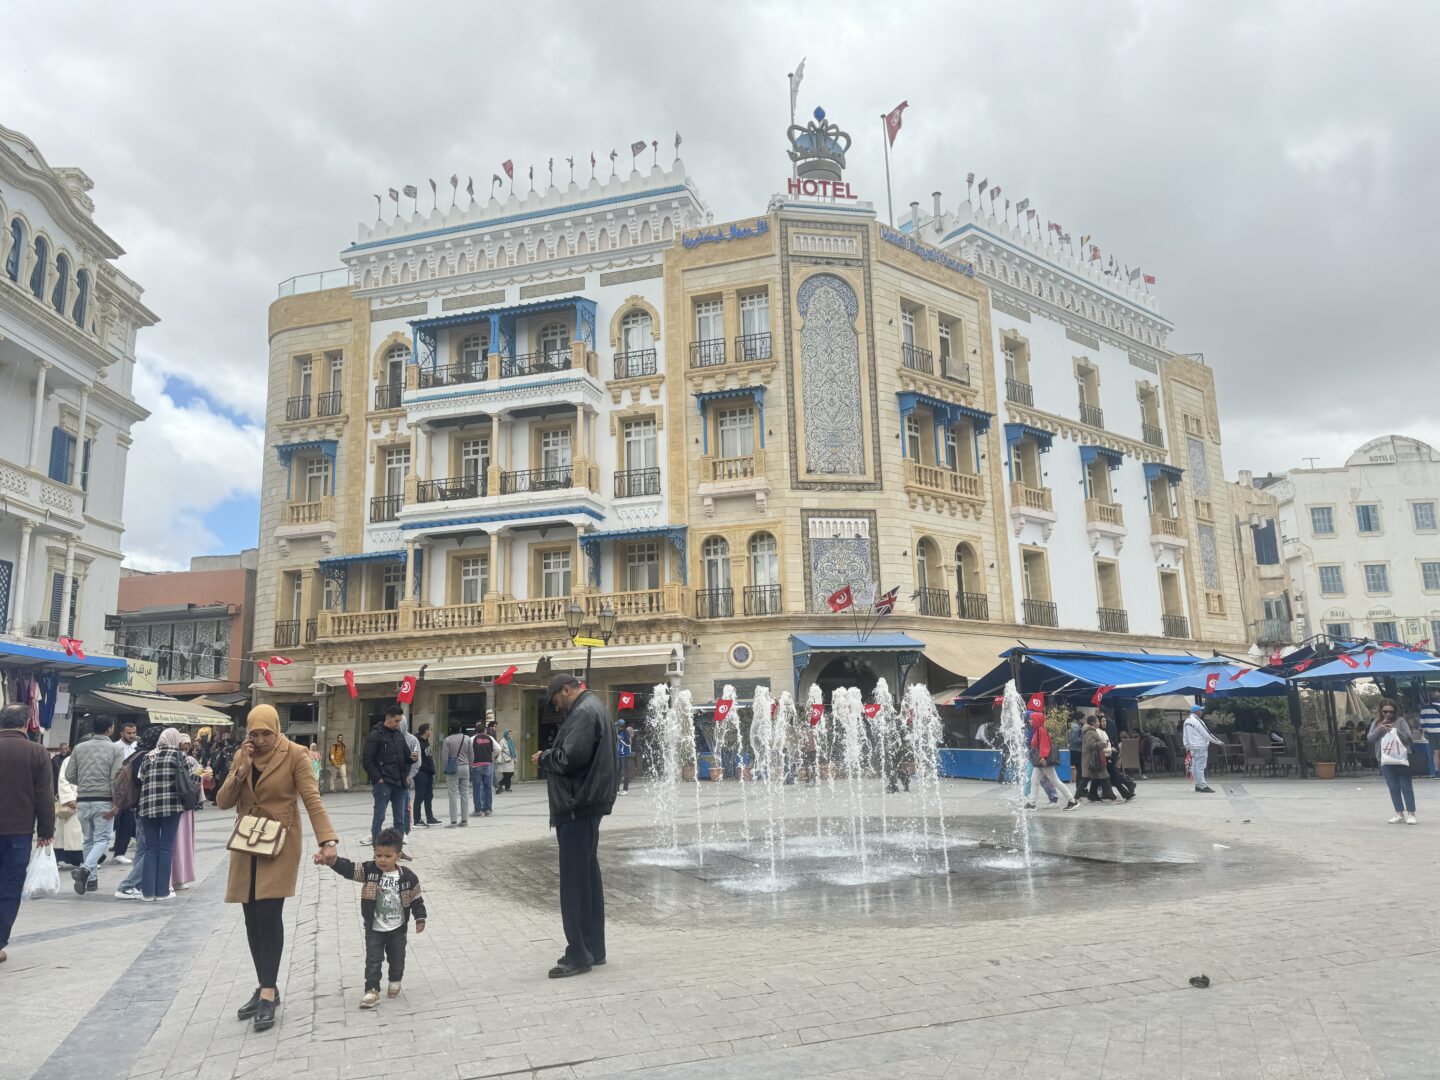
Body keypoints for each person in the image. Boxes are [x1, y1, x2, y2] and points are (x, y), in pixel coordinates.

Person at [217, 705, 338, 1032]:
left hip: (280, 844)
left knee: (269, 913)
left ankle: (269, 993)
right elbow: (223, 801)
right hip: (247, 844)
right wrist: (240, 768)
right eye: (254, 733)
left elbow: (312, 799)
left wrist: (327, 840)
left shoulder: (296, 754)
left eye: (265, 734)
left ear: (276, 729)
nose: (260, 739)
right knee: (251, 917)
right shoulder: (243, 756)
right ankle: (264, 983)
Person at [532, 674, 617, 978]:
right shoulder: (596, 707)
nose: (559, 707)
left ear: (566, 690)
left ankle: (579, 954)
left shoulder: (582, 712)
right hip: (587, 803)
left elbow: (570, 758)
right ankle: (595, 947)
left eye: (557, 701)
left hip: (576, 805)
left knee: (574, 883)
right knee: (587, 878)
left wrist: (545, 757)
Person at [317, 827, 426, 1009]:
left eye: (388, 856)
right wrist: (331, 861)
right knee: (373, 959)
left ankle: (395, 979)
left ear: (398, 855)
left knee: (397, 957)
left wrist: (420, 917)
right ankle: (372, 990)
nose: (382, 860)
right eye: (378, 855)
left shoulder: (407, 877)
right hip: (374, 928)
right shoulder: (370, 870)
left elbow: (416, 898)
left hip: (397, 928)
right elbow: (350, 869)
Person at [0, 703, 55, 963]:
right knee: (9, 887)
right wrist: (46, 831)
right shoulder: (37, 752)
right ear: (25, 723)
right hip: (18, 832)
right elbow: (44, 795)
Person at [63, 715, 123, 895]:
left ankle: (92, 880)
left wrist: (84, 782)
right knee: (102, 840)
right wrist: (117, 803)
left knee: (88, 840)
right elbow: (115, 778)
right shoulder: (115, 749)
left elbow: (69, 775)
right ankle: (86, 870)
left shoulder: (79, 748)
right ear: (110, 729)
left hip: (83, 800)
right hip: (104, 800)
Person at [136, 728, 189, 901]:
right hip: (171, 807)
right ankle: (162, 892)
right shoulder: (179, 755)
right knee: (166, 848)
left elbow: (141, 778)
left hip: (147, 807)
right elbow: (187, 779)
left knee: (150, 848)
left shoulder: (148, 756)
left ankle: (148, 892)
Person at [112, 726, 160, 899]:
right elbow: (140, 780)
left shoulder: (136, 753)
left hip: (136, 805)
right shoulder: (146, 756)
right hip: (143, 805)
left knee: (142, 849)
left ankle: (138, 885)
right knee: (150, 850)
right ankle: (127, 886)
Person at [364, 708, 410, 845]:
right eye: (396, 721)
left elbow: (405, 756)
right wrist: (378, 778)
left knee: (400, 819)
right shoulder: (375, 735)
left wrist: (411, 760)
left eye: (400, 721)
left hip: (399, 783)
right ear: (388, 718)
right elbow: (367, 759)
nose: (398, 724)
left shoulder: (399, 734)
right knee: (379, 817)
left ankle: (398, 851)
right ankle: (377, 850)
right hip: (383, 783)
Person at [1369, 699, 1417, 824]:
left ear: (1395, 711)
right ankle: (1399, 813)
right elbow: (1370, 738)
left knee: (1406, 786)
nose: (1388, 714)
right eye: (1385, 711)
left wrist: (1394, 730)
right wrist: (1380, 728)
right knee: (1393, 787)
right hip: (1384, 759)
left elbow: (1408, 738)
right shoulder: (1376, 722)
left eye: (1391, 712)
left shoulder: (1400, 721)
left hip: (1401, 758)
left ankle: (1411, 814)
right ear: (1381, 711)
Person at [1026, 711, 1078, 810]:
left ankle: (1072, 801)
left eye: (1031, 719)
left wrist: (1043, 757)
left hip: (1043, 761)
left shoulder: (1040, 730)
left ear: (1036, 720)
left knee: (1055, 781)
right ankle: (1032, 803)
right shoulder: (1038, 730)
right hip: (1041, 762)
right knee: (1034, 780)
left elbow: (1045, 744)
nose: (1030, 721)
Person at [171, 736, 203, 892]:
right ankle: (179, 878)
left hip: (174, 807)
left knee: (177, 844)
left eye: (187, 747)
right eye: (182, 747)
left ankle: (176, 878)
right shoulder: (187, 760)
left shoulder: (156, 756)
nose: (185, 750)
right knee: (180, 844)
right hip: (184, 806)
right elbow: (195, 779)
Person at [111, 721, 140, 863]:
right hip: (116, 789)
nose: (132, 735)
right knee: (113, 821)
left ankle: (120, 852)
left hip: (131, 789)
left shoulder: (138, 748)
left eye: (134, 732)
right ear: (121, 733)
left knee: (128, 821)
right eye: (129, 733)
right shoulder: (114, 747)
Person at [1182, 705, 1223, 793]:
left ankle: (1197, 785)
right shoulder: (1198, 721)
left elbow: (1185, 736)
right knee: (1200, 766)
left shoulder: (1186, 721)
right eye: (1200, 710)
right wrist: (1219, 742)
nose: (1201, 712)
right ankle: (1203, 786)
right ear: (1196, 712)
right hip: (1200, 746)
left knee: (1194, 766)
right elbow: (1207, 733)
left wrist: (1187, 747)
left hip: (1192, 747)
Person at [1097, 716, 1136, 802]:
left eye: (1105, 721)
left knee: (1112, 776)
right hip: (1105, 755)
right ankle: (1127, 787)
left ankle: (1127, 788)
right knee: (1111, 776)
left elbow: (1107, 743)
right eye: (1102, 721)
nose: (1104, 723)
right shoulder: (1098, 731)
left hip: (1108, 755)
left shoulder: (1106, 730)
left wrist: (1110, 749)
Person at [441, 725, 473, 826]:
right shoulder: (467, 739)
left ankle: (453, 821)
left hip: (453, 768)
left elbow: (445, 757)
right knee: (465, 794)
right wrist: (470, 766)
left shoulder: (447, 740)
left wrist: (445, 769)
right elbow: (471, 754)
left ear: (450, 729)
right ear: (460, 728)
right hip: (465, 767)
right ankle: (464, 820)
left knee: (453, 794)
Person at [470, 722, 501, 817]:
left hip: (476, 765)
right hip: (488, 765)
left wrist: (471, 760)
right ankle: (487, 809)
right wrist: (492, 757)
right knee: (488, 787)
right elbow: (498, 749)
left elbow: (468, 751)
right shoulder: (490, 738)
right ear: (485, 730)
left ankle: (478, 810)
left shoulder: (472, 739)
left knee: (477, 788)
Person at [1081, 718, 1115, 802]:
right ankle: (1112, 797)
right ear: (1093, 723)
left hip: (1097, 758)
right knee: (1104, 777)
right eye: (1098, 721)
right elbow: (1090, 745)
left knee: (1097, 778)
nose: (1099, 723)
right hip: (1095, 758)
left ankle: (1092, 795)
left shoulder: (1094, 731)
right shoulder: (1091, 732)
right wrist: (1103, 743)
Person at [413, 724, 440, 826]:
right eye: (430, 729)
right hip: (421, 773)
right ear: (425, 731)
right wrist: (427, 769)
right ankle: (417, 819)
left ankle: (430, 817)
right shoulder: (417, 742)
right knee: (419, 797)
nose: (431, 731)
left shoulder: (426, 741)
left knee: (429, 796)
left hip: (428, 774)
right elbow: (418, 760)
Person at [1419, 691, 1440, 775]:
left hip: (1431, 733)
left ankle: (1437, 772)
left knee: (1436, 752)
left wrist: (1424, 732)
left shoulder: (1424, 708)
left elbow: (1422, 723)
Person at [616, 721, 633, 795]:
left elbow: (628, 744)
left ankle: (625, 789)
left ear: (621, 726)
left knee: (625, 772)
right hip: (619, 755)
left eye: (618, 726)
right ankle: (616, 789)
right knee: (618, 773)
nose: (617, 727)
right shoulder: (619, 732)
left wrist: (620, 739)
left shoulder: (625, 732)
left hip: (625, 755)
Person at [497, 728, 517, 793]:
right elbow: (499, 750)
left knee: (511, 773)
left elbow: (513, 750)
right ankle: (507, 787)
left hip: (511, 759)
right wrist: (499, 760)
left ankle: (500, 783)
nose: (510, 735)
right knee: (507, 774)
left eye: (510, 734)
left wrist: (515, 758)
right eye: (509, 734)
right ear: (506, 734)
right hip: (505, 760)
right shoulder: (502, 741)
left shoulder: (510, 741)